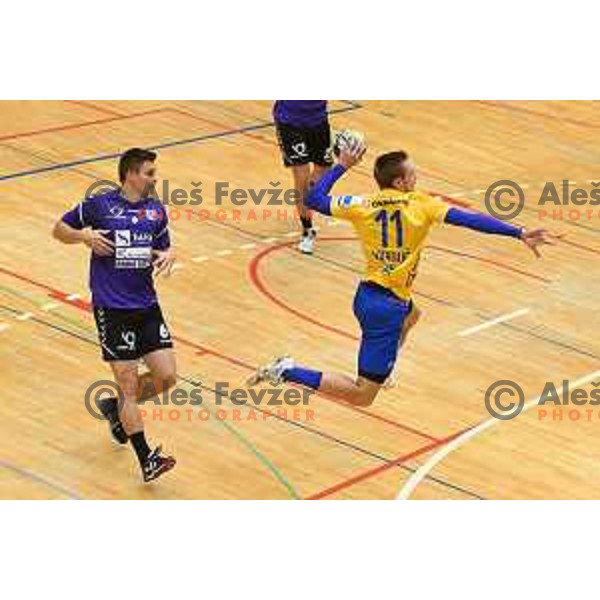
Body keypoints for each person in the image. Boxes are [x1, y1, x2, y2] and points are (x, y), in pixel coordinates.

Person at [250, 142, 558, 407]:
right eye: (412, 174)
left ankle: (384, 368)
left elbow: (313, 200)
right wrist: (518, 232)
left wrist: (342, 165)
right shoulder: (422, 205)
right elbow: (469, 220)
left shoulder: (362, 204)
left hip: (371, 296)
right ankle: (287, 371)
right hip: (385, 310)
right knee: (362, 396)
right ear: (399, 182)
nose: (417, 178)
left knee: (413, 316)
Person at [53, 148, 177, 482]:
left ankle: (115, 408)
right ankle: (147, 458)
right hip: (113, 308)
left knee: (166, 377)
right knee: (129, 385)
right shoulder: (100, 205)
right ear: (132, 174)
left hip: (147, 305)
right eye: (150, 173)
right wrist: (83, 236)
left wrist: (167, 257)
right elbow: (59, 229)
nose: (154, 178)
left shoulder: (155, 211)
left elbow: (163, 247)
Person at [273, 100, 333, 254]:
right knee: (301, 174)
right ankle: (307, 230)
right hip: (289, 122)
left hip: (318, 120)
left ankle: (308, 198)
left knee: (324, 167)